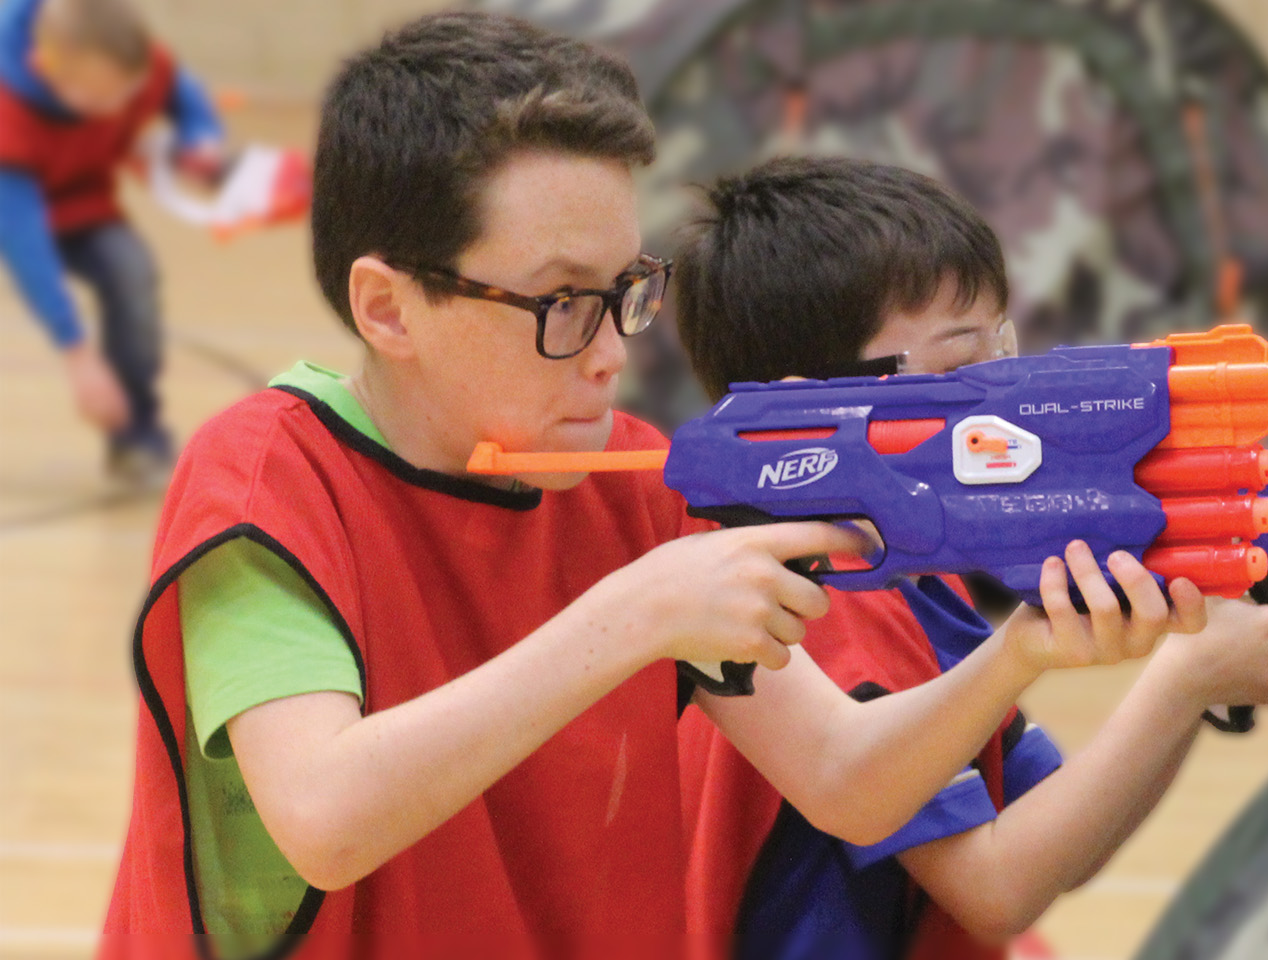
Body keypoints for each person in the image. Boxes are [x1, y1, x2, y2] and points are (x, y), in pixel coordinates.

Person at [97, 14, 1206, 960]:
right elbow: (326, 817)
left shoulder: (636, 487)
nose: (609, 350)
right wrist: (632, 616)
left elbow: (848, 783)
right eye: (560, 301)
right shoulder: (263, 479)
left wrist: (1021, 656)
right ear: (389, 309)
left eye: (625, 289)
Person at [673, 155, 1268, 960]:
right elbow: (994, 887)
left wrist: (1189, 685)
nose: (1003, 390)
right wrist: (1185, 676)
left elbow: (1051, 827)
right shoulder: (829, 607)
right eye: (962, 368)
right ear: (811, 407)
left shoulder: (910, 571)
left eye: (1002, 346)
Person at [0, 0, 224, 484]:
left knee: (132, 274)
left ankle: (135, 435)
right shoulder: (9, 109)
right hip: (17, 209)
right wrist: (76, 353)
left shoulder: (126, 61)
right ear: (45, 70)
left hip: (83, 202)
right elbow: (24, 242)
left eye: (130, 95)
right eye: (101, 103)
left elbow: (179, 92)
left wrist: (200, 135)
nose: (119, 113)